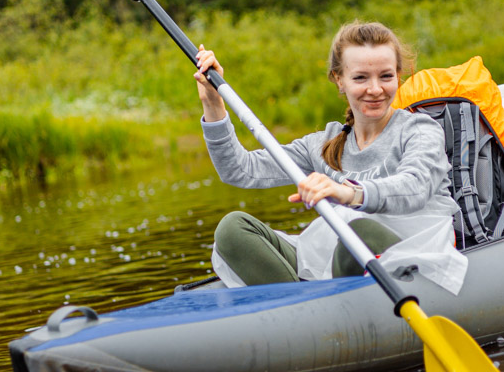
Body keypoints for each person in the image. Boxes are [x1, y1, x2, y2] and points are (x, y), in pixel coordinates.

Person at [193, 20, 466, 291]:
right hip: (339, 257)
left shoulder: (420, 130)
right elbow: (240, 170)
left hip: (411, 251)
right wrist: (213, 103)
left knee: (359, 233)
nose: (375, 89)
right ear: (339, 80)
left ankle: (320, 309)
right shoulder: (323, 144)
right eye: (360, 77)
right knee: (232, 229)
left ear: (398, 75)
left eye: (386, 76)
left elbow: (415, 187)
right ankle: (300, 309)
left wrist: (349, 193)